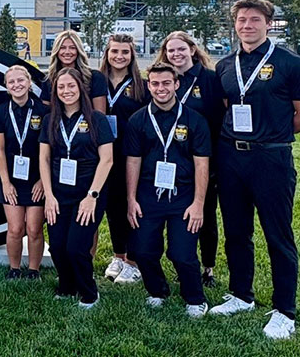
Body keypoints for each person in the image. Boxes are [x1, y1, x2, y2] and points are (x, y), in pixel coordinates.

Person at [209, 0, 300, 340]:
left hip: (271, 159)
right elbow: (227, 108)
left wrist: (268, 136)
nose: (246, 25)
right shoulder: (226, 66)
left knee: (278, 234)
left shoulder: (292, 64)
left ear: (268, 24)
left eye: (254, 20)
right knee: (237, 232)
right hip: (231, 158)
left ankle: (284, 310)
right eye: (241, 20)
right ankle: (241, 294)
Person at [125, 62, 212, 318]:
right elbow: (133, 161)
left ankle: (195, 298)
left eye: (166, 83)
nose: (160, 88)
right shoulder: (138, 119)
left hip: (183, 195)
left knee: (182, 253)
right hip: (148, 194)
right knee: (141, 250)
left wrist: (198, 203)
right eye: (155, 83)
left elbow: (201, 163)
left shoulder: (194, 120)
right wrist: (131, 199)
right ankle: (157, 291)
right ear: (148, 85)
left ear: (176, 84)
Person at [39, 67, 114, 309]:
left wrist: (92, 195)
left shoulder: (97, 119)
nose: (66, 91)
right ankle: (67, 286)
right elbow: (44, 159)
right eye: (61, 87)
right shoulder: (51, 120)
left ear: (80, 88)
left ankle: (89, 292)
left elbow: (107, 159)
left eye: (71, 86)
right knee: (58, 246)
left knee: (77, 247)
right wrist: (49, 196)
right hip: (59, 194)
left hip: (88, 192)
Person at [155, 30, 226, 286]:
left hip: (202, 161)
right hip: (169, 162)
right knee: (172, 212)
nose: (176, 54)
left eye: (181, 49)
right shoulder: (165, 79)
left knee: (204, 213)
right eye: (171, 50)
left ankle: (208, 267)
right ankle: (180, 259)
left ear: (193, 50)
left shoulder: (208, 79)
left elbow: (219, 121)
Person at [97, 33, 149, 285]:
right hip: (104, 155)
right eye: (114, 51)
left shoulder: (142, 85)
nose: (119, 56)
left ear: (132, 55)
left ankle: (134, 261)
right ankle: (119, 256)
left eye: (124, 52)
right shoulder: (96, 82)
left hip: (133, 156)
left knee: (133, 207)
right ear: (106, 54)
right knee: (112, 207)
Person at [0, 65, 47, 280]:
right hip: (11, 179)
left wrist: (43, 180)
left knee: (33, 229)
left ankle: (34, 270)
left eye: (20, 80)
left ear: (29, 82)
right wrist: (6, 182)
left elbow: (49, 151)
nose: (17, 85)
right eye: (11, 82)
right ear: (6, 87)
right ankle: (14, 268)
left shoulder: (43, 111)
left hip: (36, 179)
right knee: (14, 228)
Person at [41, 30, 108, 113]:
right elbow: (47, 114)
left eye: (72, 48)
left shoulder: (95, 77)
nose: (67, 52)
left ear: (79, 50)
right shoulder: (48, 80)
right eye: (62, 48)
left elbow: (100, 115)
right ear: (56, 51)